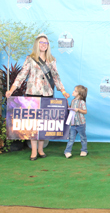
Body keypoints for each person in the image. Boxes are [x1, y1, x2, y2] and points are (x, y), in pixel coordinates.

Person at [5, 33, 70, 161]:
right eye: (41, 42)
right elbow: (22, 75)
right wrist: (11, 89)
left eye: (46, 43)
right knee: (33, 124)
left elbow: (56, 77)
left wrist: (63, 91)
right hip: (32, 94)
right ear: (37, 44)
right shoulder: (30, 58)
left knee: (44, 124)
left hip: (47, 94)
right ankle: (34, 151)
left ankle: (41, 149)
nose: (43, 45)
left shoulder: (52, 60)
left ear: (48, 45)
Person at [64, 85, 88, 158]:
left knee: (83, 138)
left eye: (75, 91)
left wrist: (78, 109)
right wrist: (67, 104)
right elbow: (71, 109)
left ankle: (84, 150)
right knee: (71, 138)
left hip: (81, 124)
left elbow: (85, 111)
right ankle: (67, 151)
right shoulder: (73, 101)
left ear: (80, 94)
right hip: (73, 124)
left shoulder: (82, 102)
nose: (73, 92)